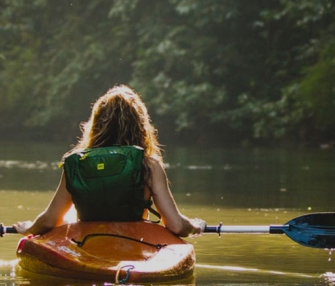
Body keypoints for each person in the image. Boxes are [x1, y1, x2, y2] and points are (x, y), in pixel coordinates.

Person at [14, 85, 205, 238]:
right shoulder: (149, 165)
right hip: (135, 243)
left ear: (96, 124)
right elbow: (176, 226)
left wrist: (29, 228)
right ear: (140, 126)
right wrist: (195, 226)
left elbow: (50, 220)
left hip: (87, 243)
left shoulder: (77, 164)